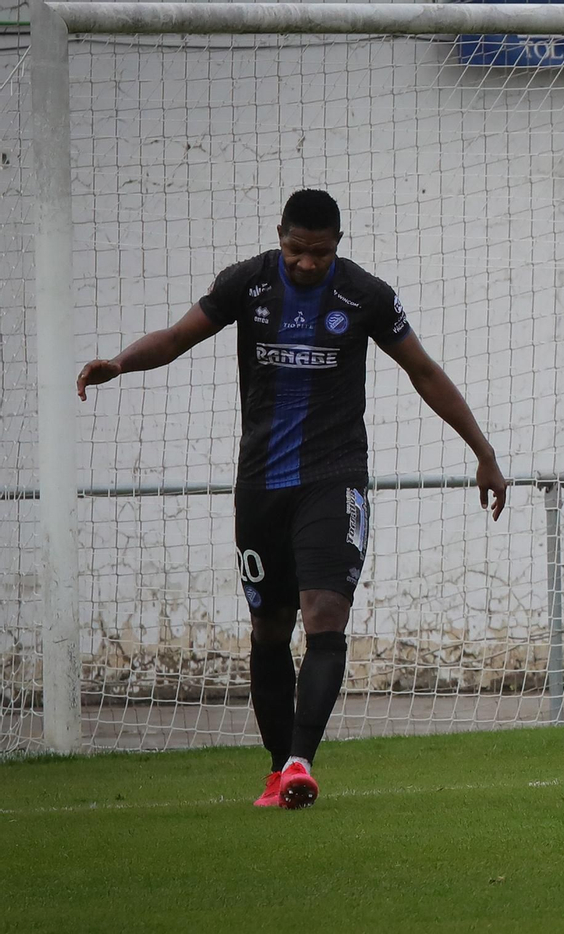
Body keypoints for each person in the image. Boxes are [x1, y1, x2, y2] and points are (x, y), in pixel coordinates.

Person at [77, 190, 507, 809]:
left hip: (334, 480)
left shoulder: (366, 296)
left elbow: (425, 371)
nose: (307, 264)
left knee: (325, 612)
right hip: (261, 487)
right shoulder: (247, 285)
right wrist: (120, 364)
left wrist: (483, 452)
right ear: (280, 236)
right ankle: (279, 769)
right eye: (296, 251)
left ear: (339, 243)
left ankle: (304, 759)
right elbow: (177, 337)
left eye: (320, 253)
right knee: (269, 627)